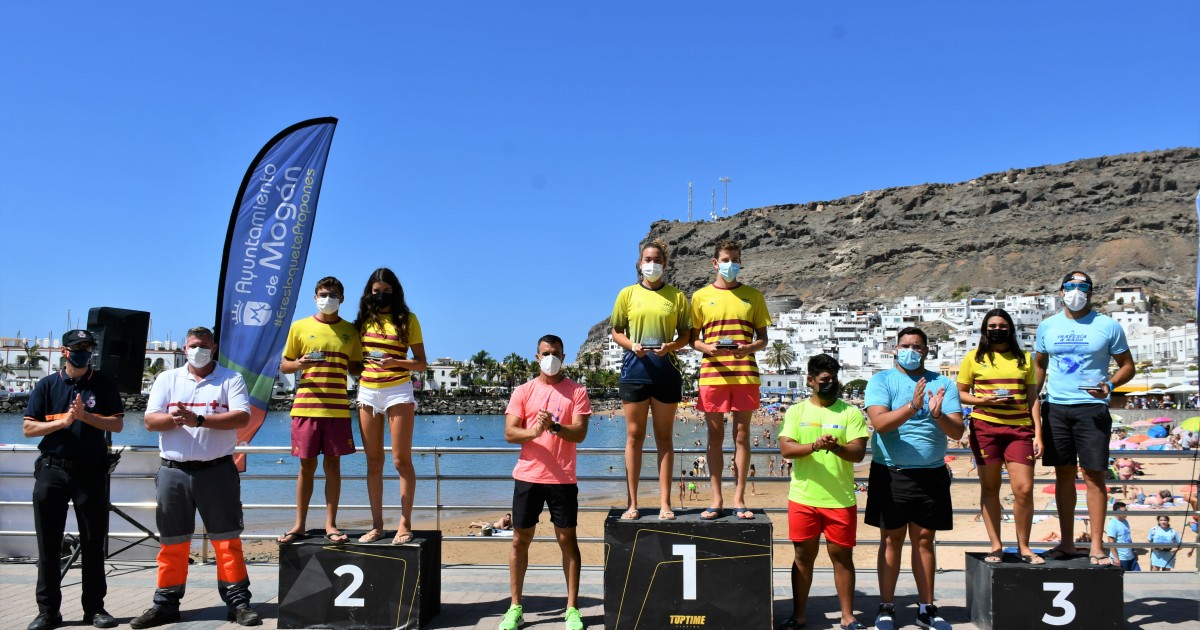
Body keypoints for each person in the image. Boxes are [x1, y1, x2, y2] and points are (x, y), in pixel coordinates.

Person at [132, 327, 259, 628]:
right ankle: (165, 604)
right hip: (173, 471)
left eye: (203, 345)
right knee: (172, 543)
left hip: (217, 470)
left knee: (227, 541)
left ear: (213, 347)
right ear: (184, 348)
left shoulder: (231, 379)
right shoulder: (168, 378)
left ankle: (238, 603)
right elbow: (151, 421)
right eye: (192, 345)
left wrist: (198, 420)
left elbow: (243, 417)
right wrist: (173, 419)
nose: (197, 350)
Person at [23, 330, 124, 630]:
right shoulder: (47, 385)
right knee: (48, 544)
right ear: (65, 351)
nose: (83, 352)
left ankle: (94, 609)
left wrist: (84, 418)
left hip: (90, 471)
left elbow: (117, 424)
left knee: (93, 543)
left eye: (88, 348)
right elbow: (29, 428)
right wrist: (63, 422)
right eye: (77, 348)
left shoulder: (103, 384)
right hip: (52, 470)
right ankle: (48, 611)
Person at [864, 327, 964, 630]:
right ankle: (886, 606)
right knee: (891, 540)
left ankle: (926, 607)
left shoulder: (944, 383)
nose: (911, 351)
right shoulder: (881, 380)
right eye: (905, 345)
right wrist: (913, 406)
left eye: (917, 346)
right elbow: (880, 424)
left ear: (927, 350)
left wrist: (937, 415)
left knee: (924, 540)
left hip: (931, 473)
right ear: (895, 349)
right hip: (891, 472)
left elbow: (958, 432)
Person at [1035, 271, 1134, 565]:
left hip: (1092, 410)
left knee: (1094, 476)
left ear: (1091, 292)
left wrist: (1110, 385)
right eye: (1070, 286)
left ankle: (1096, 546)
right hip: (1055, 408)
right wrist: (1032, 402)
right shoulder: (1047, 326)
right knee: (1063, 475)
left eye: (1082, 286)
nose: (1075, 291)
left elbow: (1128, 365)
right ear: (1060, 290)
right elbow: (1039, 366)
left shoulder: (1108, 325)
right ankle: (1066, 543)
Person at [498, 335, 591, 630]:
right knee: (519, 540)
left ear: (563, 356)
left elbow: (579, 433)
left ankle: (572, 609)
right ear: (537, 357)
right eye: (545, 353)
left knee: (567, 542)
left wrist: (555, 426)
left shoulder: (577, 391)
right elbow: (511, 433)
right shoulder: (523, 391)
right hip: (528, 477)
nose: (551, 357)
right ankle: (515, 607)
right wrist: (535, 430)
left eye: (556, 353)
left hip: (563, 478)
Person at [778, 354, 869, 630]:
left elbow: (858, 453)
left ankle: (847, 616)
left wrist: (835, 447)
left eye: (834, 379)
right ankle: (799, 615)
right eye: (824, 380)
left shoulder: (850, 412)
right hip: (803, 498)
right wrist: (815, 446)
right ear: (810, 381)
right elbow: (786, 449)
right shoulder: (796, 412)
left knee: (842, 557)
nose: (830, 383)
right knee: (803, 557)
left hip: (840, 498)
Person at [689, 239, 771, 520]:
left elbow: (763, 339)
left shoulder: (754, 296)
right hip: (712, 375)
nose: (730, 264)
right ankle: (716, 499)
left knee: (742, 436)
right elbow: (693, 340)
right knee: (714, 437)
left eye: (735, 259)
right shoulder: (699, 296)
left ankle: (739, 498)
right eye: (725, 259)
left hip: (745, 375)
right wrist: (707, 348)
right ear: (715, 263)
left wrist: (748, 348)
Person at [278, 277, 364, 544]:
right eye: (324, 294)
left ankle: (331, 525)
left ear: (342, 298)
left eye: (334, 294)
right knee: (306, 467)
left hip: (337, 409)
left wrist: (380, 364)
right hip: (305, 407)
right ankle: (299, 525)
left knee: (333, 467)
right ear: (315, 297)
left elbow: (356, 368)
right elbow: (284, 365)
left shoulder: (351, 331)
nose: (328, 298)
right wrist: (300, 363)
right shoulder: (300, 327)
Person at [610, 238, 691, 520]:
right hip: (634, 372)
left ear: (665, 264)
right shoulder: (627, 294)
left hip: (667, 372)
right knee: (634, 437)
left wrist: (670, 346)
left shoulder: (677, 297)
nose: (652, 264)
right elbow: (616, 331)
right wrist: (632, 345)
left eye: (657, 260)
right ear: (639, 263)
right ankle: (631, 503)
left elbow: (687, 335)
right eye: (648, 259)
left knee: (664, 438)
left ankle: (665, 504)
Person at [955, 309, 1043, 564]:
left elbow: (1033, 398)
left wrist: (1039, 434)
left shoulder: (1024, 358)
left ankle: (1024, 547)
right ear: (984, 330)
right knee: (990, 488)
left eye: (1002, 325)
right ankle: (996, 546)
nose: (997, 329)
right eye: (992, 326)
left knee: (1024, 490)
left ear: (1010, 329)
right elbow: (960, 393)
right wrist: (983, 399)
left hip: (1020, 430)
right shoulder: (973, 358)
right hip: (986, 429)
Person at [354, 268, 427, 544]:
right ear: (368, 293)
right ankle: (377, 525)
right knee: (373, 462)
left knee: (400, 460)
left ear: (394, 292)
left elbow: (420, 362)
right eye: (376, 291)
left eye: (385, 291)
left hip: (398, 391)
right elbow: (354, 360)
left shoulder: (408, 320)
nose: (380, 296)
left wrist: (395, 362)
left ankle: (405, 523)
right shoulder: (362, 321)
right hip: (368, 392)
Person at [1103, 501, 1137, 570]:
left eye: (1126, 510)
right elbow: (1111, 542)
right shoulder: (1112, 523)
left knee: (1137, 577)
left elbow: (1128, 537)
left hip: (1130, 556)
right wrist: (1116, 558)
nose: (1126, 512)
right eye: (1124, 511)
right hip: (1121, 558)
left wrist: (1133, 551)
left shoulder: (1125, 521)